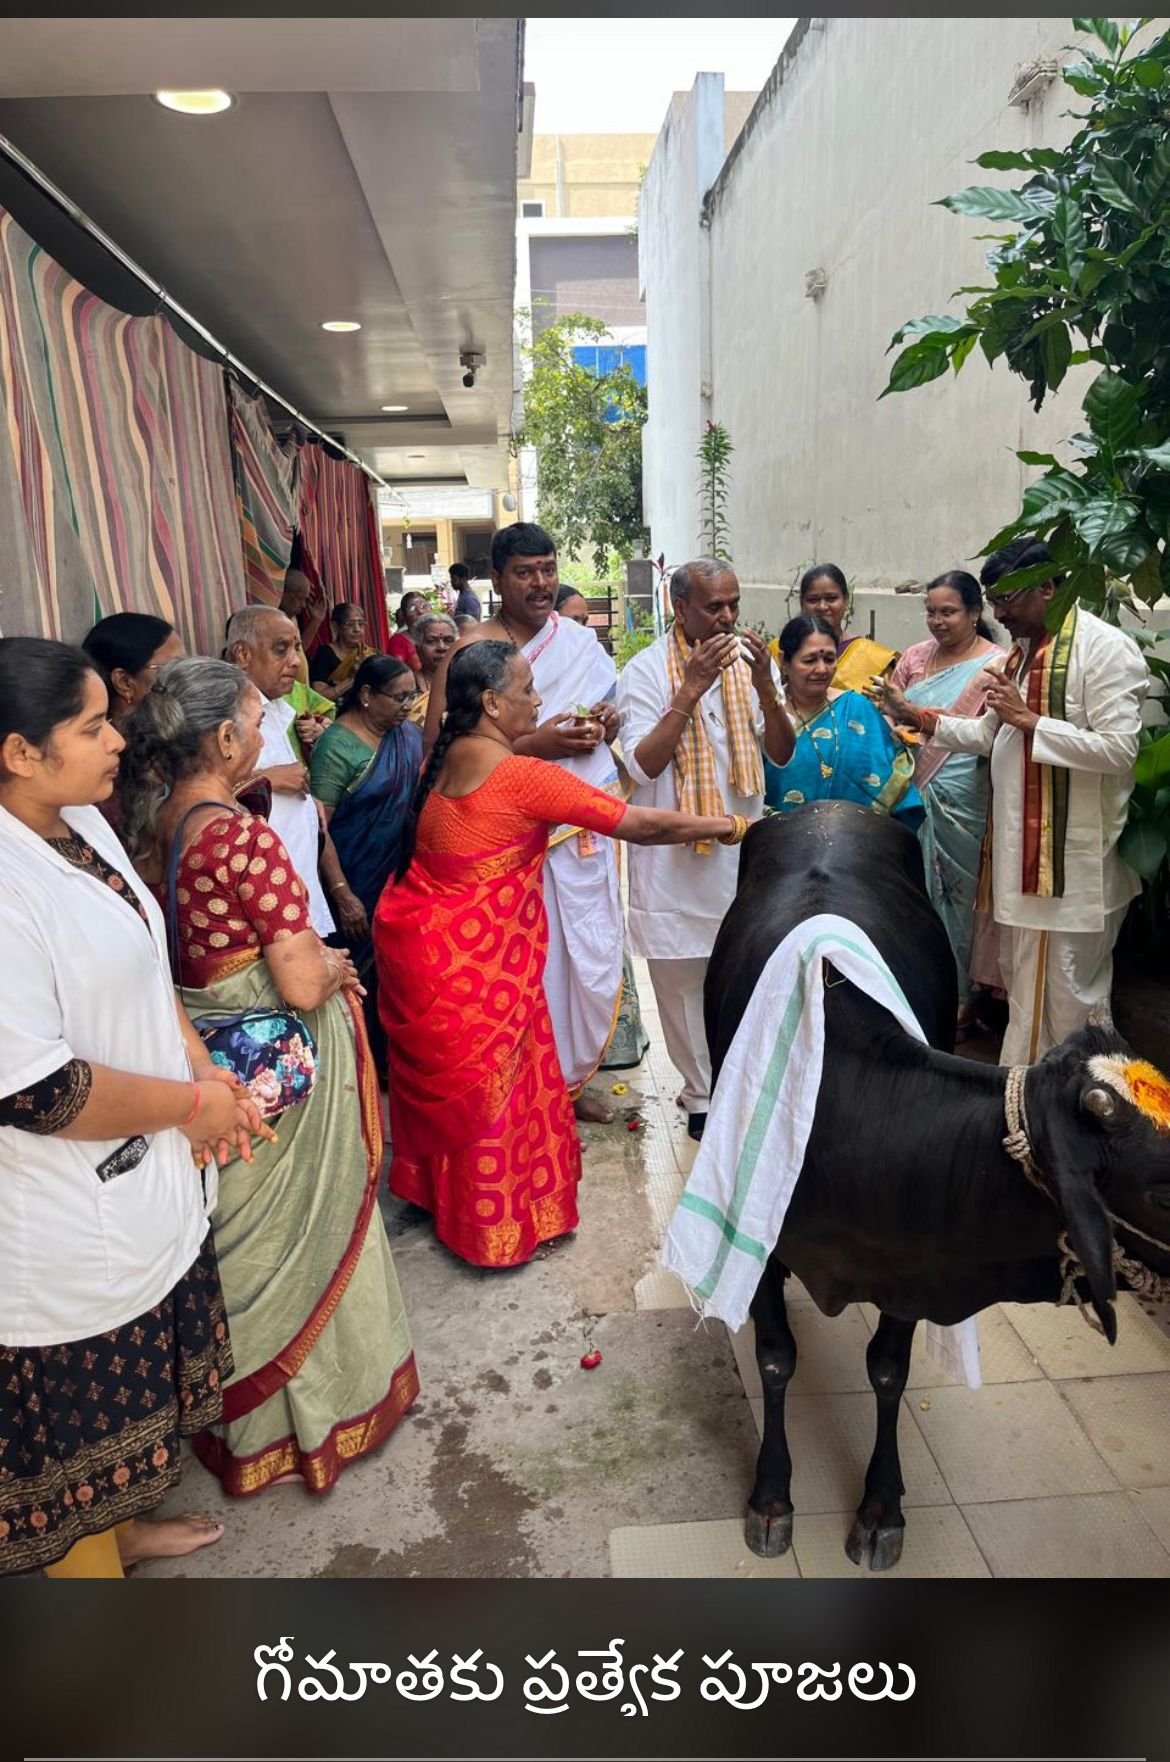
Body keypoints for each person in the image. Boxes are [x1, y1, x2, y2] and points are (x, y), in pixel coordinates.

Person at [120, 657, 419, 1495]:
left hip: (216, 1054)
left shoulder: (161, 823)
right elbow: (293, 980)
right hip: (276, 1063)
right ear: (222, 738)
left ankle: (245, 1433)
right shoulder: (241, 833)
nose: (266, 736)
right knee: (308, 1240)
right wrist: (334, 966)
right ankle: (322, 1419)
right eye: (257, 723)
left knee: (241, 1250)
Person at [0, 638, 263, 1578]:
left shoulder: (81, 819)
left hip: (142, 1167)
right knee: (73, 1451)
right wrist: (190, 1105)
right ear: (19, 752)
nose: (119, 735)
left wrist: (205, 1075)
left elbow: (145, 973)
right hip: (58, 1211)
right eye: (91, 724)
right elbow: (39, 1090)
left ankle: (117, 1532)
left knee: (122, 1431)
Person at [374, 641, 753, 1268]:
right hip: (479, 968)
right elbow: (639, 825)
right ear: (493, 702)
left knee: (467, 1095)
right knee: (494, 1097)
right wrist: (734, 828)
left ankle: (444, 1205)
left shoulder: (448, 759)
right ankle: (492, 1233)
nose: (540, 699)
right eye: (527, 689)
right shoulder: (522, 775)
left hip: (427, 954)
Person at [903, 536, 1148, 1065]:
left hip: (1074, 869)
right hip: (1025, 864)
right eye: (992, 599)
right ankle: (1027, 1105)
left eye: (1005, 599)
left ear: (1046, 586)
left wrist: (1032, 722)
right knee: (1025, 992)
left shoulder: (1103, 649)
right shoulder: (1023, 655)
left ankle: (1078, 1112)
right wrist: (918, 717)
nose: (997, 612)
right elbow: (993, 735)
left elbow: (1119, 750)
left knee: (1069, 998)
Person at [426, 524, 627, 1124]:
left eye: (547, 568)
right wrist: (538, 743)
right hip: (505, 843)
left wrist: (606, 724)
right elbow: (442, 747)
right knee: (525, 966)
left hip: (579, 838)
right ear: (496, 578)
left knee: (579, 959)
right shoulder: (472, 650)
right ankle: (519, 1088)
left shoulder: (578, 641)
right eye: (524, 572)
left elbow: (606, 711)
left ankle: (566, 1081)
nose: (540, 583)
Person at [617, 558, 794, 1139]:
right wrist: (689, 687)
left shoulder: (747, 664)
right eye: (713, 606)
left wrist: (768, 686)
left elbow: (783, 752)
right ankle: (700, 1098)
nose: (727, 617)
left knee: (746, 973)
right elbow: (643, 766)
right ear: (680, 606)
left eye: (733, 604)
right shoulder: (644, 672)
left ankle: (744, 1085)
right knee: (683, 982)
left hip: (743, 852)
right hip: (674, 859)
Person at [876, 572, 1003, 1026]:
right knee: (913, 889)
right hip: (910, 789)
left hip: (963, 795)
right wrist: (892, 718)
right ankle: (917, 982)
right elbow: (890, 711)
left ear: (974, 612)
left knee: (960, 893)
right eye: (931, 611)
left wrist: (913, 715)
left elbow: (988, 735)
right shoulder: (913, 657)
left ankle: (964, 996)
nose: (937, 621)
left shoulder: (995, 666)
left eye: (948, 612)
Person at [310, 655, 422, 1066]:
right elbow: (318, 827)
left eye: (412, 696)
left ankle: (392, 1064)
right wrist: (342, 892)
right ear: (367, 696)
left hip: (398, 883)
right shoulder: (336, 746)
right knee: (358, 979)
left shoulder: (407, 735)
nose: (407, 705)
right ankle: (357, 1068)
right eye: (398, 697)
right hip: (354, 882)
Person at [225, 605, 352, 942]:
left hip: (295, 893)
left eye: (296, 648)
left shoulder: (280, 710)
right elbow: (191, 800)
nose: (296, 661)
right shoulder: (224, 716)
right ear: (242, 654)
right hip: (263, 907)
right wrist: (263, 781)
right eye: (281, 649)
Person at [764, 614, 924, 829]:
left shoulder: (857, 708)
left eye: (829, 659)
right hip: (782, 842)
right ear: (784, 661)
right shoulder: (766, 715)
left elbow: (892, 780)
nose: (822, 669)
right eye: (810, 660)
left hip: (855, 844)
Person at [785, 563, 898, 693]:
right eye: (813, 600)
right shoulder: (782, 651)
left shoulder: (873, 657)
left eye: (831, 598)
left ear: (846, 601)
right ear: (802, 603)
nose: (822, 606)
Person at [279, 567, 333, 763]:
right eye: (299, 598)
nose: (303, 605)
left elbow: (300, 650)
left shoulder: (291, 619)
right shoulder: (274, 623)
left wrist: (317, 620)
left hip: (299, 698)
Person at [309, 603, 380, 701]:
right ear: (335, 626)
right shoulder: (325, 653)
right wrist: (352, 678)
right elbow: (319, 696)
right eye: (350, 624)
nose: (357, 630)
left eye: (361, 624)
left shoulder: (369, 654)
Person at [408, 612, 458, 729]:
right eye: (431, 641)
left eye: (448, 640)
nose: (441, 647)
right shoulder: (408, 688)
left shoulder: (469, 684)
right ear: (418, 648)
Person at [387, 592, 430, 674]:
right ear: (404, 615)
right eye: (413, 608)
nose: (420, 612)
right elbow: (396, 675)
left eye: (424, 606)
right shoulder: (398, 641)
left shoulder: (439, 635)